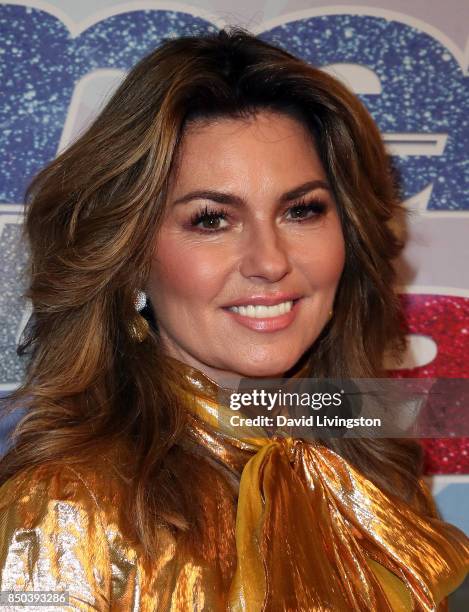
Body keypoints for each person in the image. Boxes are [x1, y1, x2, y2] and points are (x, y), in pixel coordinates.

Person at [0, 27, 467, 611]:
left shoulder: (373, 462)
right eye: (211, 220)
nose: (270, 262)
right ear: (132, 257)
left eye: (302, 211)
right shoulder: (63, 507)